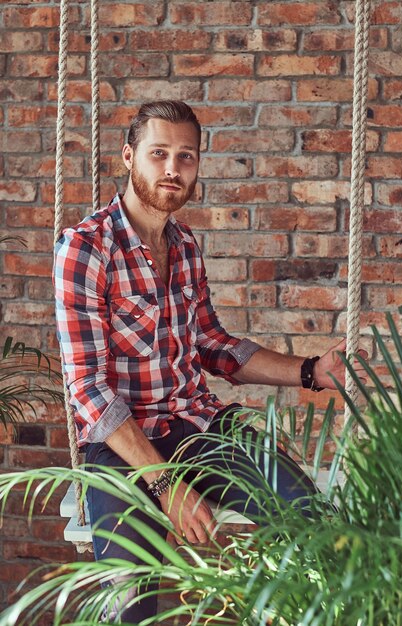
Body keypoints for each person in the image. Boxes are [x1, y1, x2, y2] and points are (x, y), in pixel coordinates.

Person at [54, 100, 368, 622]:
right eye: (159, 154)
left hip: (201, 427)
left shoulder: (186, 246)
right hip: (122, 447)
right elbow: (88, 388)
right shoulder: (86, 248)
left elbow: (213, 346)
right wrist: (164, 483)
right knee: (131, 605)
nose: (173, 169)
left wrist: (311, 371)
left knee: (315, 524)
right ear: (129, 157)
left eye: (186, 156)